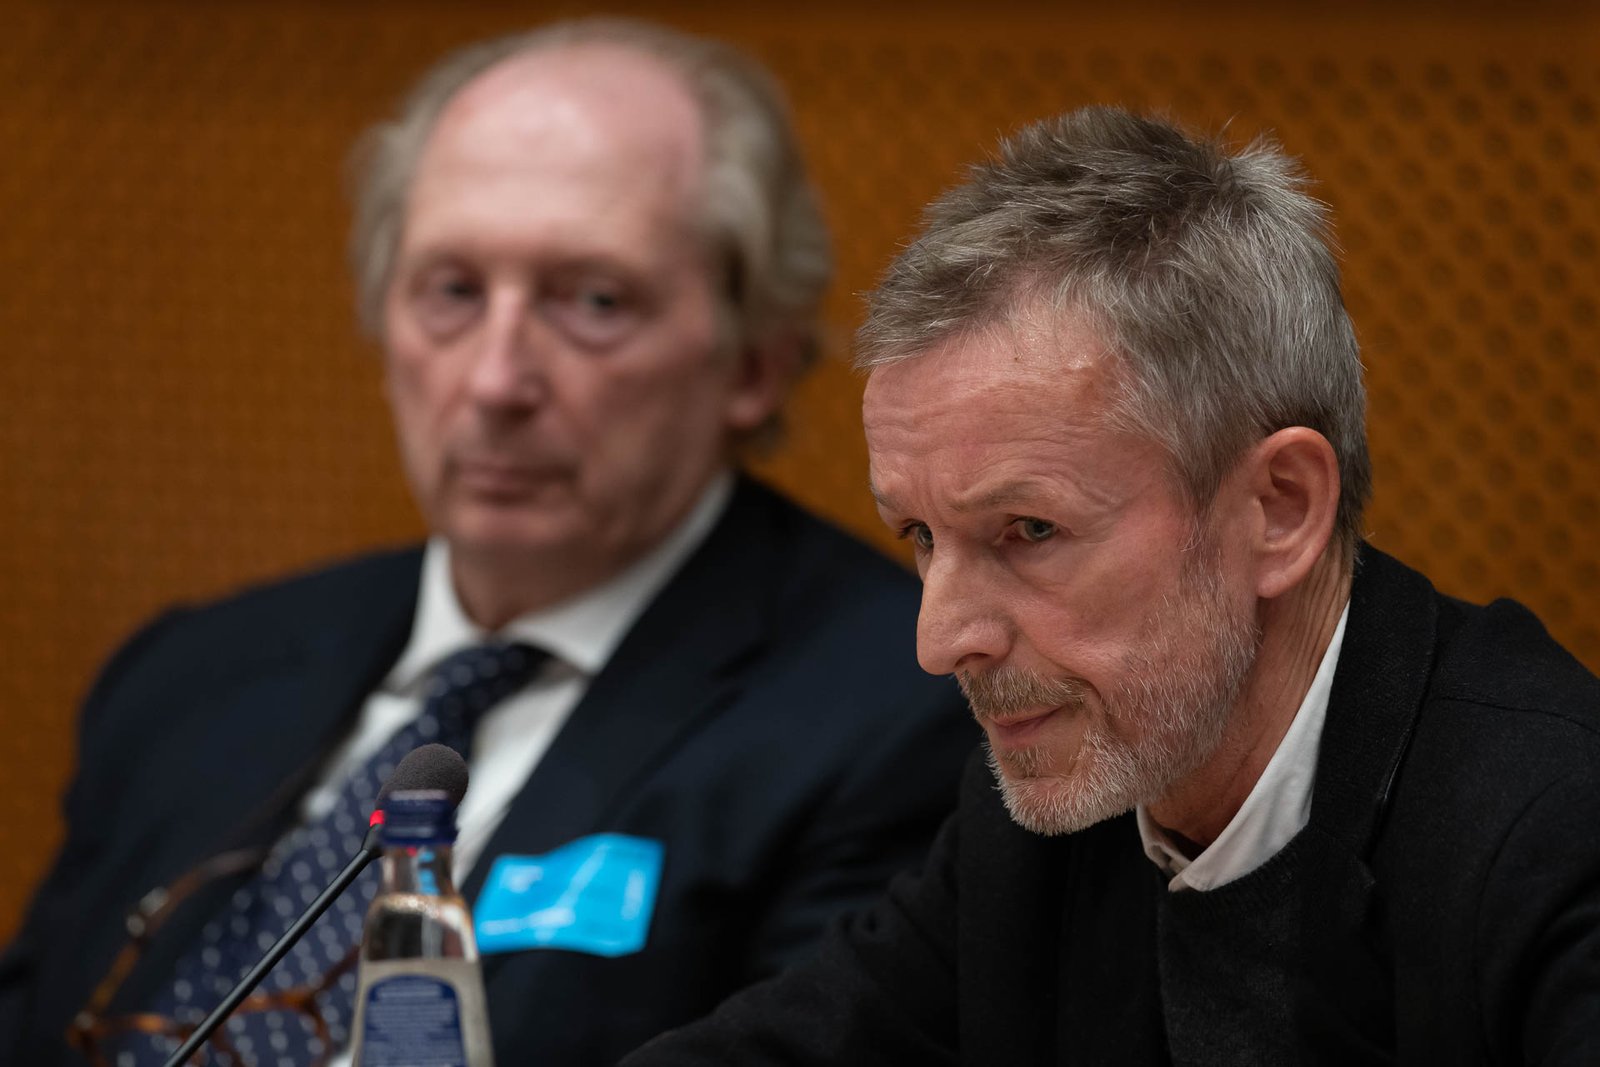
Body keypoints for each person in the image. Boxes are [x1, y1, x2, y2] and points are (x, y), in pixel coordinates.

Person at [0, 19, 973, 1067]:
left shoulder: (898, 715)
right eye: (453, 291)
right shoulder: (191, 673)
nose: (496, 380)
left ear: (755, 361)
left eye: (594, 301)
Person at [620, 106, 1600, 1065]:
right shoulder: (1045, 820)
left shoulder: (1554, 831)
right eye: (921, 535)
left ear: (1280, 508)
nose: (941, 640)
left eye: (1029, 530)